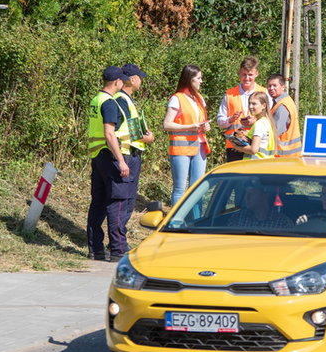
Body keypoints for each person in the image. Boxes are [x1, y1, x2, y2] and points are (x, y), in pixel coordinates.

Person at [86, 66, 131, 261]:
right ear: (116, 83)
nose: (123, 83)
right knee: (117, 202)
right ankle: (118, 249)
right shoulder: (110, 103)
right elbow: (109, 133)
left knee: (98, 202)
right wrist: (121, 160)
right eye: (122, 80)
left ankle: (95, 248)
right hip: (110, 156)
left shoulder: (97, 99)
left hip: (97, 157)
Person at [111, 63, 155, 259]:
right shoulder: (122, 99)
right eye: (140, 77)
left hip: (129, 153)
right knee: (124, 202)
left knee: (126, 201)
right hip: (128, 154)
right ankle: (118, 245)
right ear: (134, 79)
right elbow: (130, 129)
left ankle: (119, 242)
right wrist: (146, 137)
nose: (142, 81)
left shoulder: (125, 99)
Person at [164, 64, 211, 206]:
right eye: (199, 78)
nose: (201, 81)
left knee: (197, 188)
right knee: (180, 189)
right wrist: (190, 127)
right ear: (190, 79)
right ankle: (175, 224)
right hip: (181, 149)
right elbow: (167, 124)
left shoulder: (199, 98)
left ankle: (195, 223)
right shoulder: (177, 98)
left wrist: (205, 126)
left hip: (200, 147)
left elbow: (200, 121)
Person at [216, 55, 268, 162]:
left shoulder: (264, 93)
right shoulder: (230, 94)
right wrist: (230, 120)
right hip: (234, 147)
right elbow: (220, 121)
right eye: (244, 74)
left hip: (256, 146)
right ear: (239, 73)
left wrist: (255, 121)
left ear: (256, 74)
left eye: (250, 75)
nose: (247, 78)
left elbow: (271, 120)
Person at [225, 184, 293, 229]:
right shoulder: (237, 219)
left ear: (265, 195)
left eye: (250, 194)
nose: (246, 198)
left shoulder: (282, 223)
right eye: (246, 194)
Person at [231, 91, 276, 159]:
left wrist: (236, 146)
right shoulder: (266, 122)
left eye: (254, 104)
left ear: (264, 105)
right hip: (265, 163)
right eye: (249, 103)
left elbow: (253, 150)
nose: (250, 106)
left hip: (255, 165)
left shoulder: (259, 124)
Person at [266, 73, 302, 157]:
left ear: (283, 87)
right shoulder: (286, 101)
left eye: (275, 85)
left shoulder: (282, 106)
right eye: (269, 86)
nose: (271, 88)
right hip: (290, 155)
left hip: (284, 156)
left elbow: (274, 132)